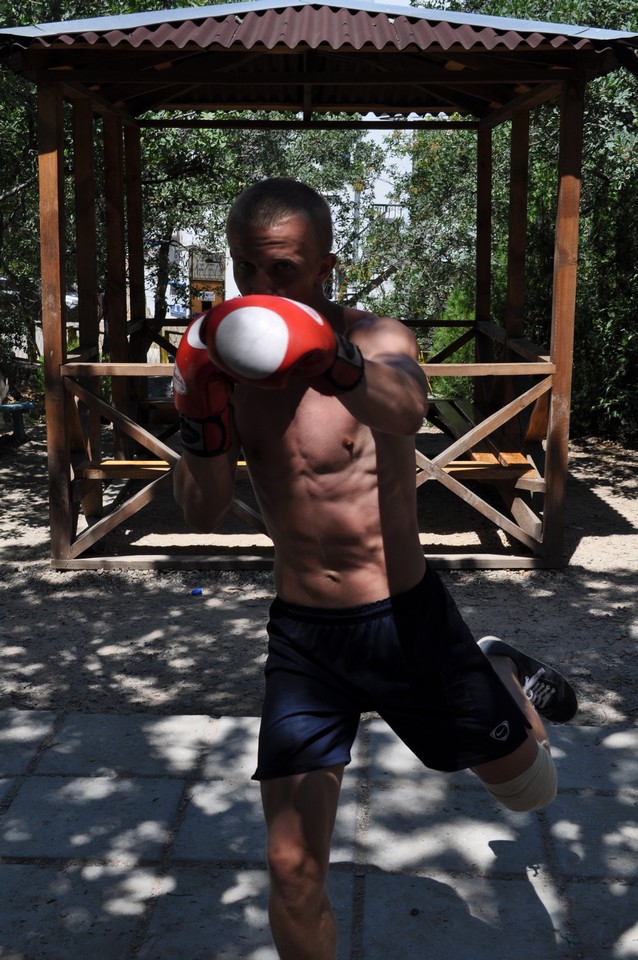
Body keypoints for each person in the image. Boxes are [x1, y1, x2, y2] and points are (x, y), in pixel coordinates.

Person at [172, 177, 577, 960]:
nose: (260, 287)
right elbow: (200, 510)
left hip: (405, 622)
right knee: (291, 869)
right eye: (246, 268)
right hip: (305, 642)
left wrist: (333, 359)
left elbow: (406, 406)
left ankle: (498, 668)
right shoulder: (225, 362)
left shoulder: (378, 337)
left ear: (326, 267)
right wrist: (199, 417)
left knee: (532, 791)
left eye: (284, 269)